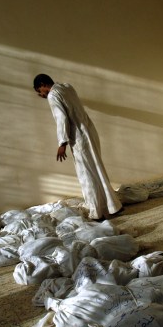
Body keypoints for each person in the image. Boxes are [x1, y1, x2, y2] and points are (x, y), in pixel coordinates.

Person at [33, 73, 123, 220]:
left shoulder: (53, 96)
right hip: (89, 130)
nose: (41, 94)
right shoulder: (67, 87)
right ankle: (113, 205)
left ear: (42, 84)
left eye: (40, 91)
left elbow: (61, 118)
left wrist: (62, 143)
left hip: (79, 136)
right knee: (97, 168)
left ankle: (97, 212)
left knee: (86, 174)